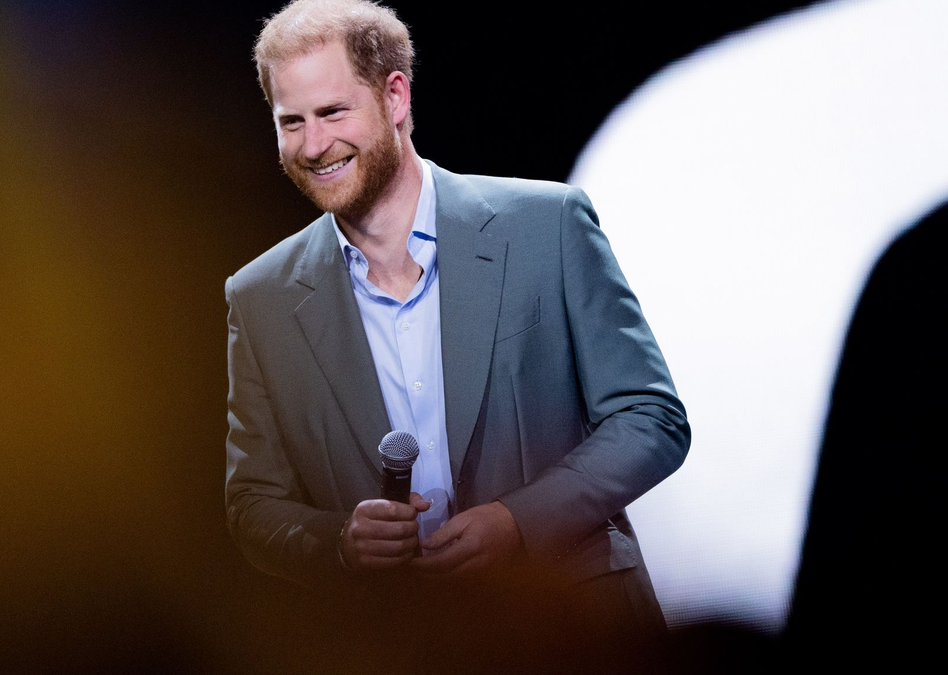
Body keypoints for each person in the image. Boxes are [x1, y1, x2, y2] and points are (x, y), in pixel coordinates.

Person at [224, 0, 689, 666]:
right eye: (290, 122)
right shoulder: (259, 297)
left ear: (395, 96)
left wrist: (518, 521)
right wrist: (340, 541)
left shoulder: (547, 226)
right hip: (401, 648)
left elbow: (651, 420)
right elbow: (253, 504)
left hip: (576, 629)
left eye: (332, 112)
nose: (314, 145)